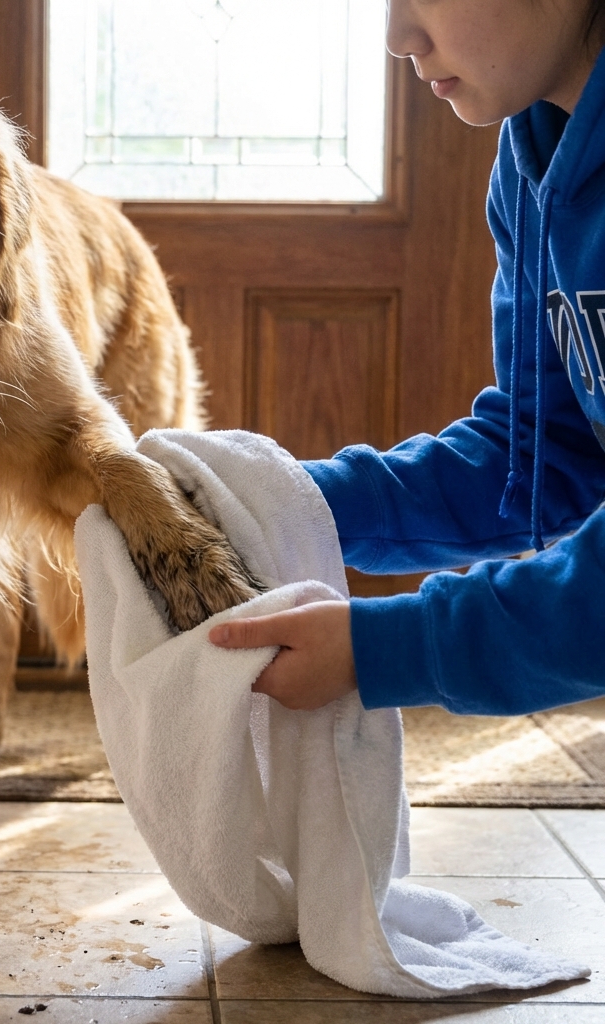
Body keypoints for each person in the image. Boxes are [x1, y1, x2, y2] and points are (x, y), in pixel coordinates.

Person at [209, 0, 605, 715]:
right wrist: (285, 502)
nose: (399, 38)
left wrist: (392, 646)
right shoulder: (528, 170)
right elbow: (540, 456)